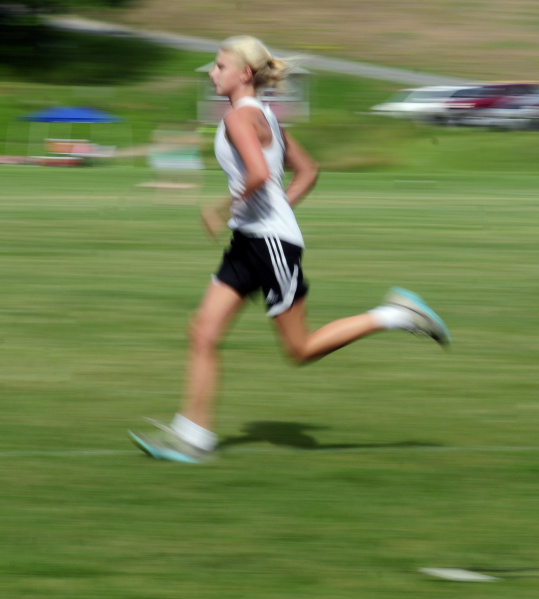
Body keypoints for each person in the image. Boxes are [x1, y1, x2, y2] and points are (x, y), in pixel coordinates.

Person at [129, 36, 450, 463]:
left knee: (300, 349)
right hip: (250, 242)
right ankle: (194, 437)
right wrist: (269, 211)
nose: (212, 73)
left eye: (219, 66)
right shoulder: (265, 116)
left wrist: (223, 208)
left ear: (244, 73)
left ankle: (397, 315)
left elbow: (260, 173)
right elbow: (308, 171)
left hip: (269, 246)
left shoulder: (239, 120)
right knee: (202, 332)